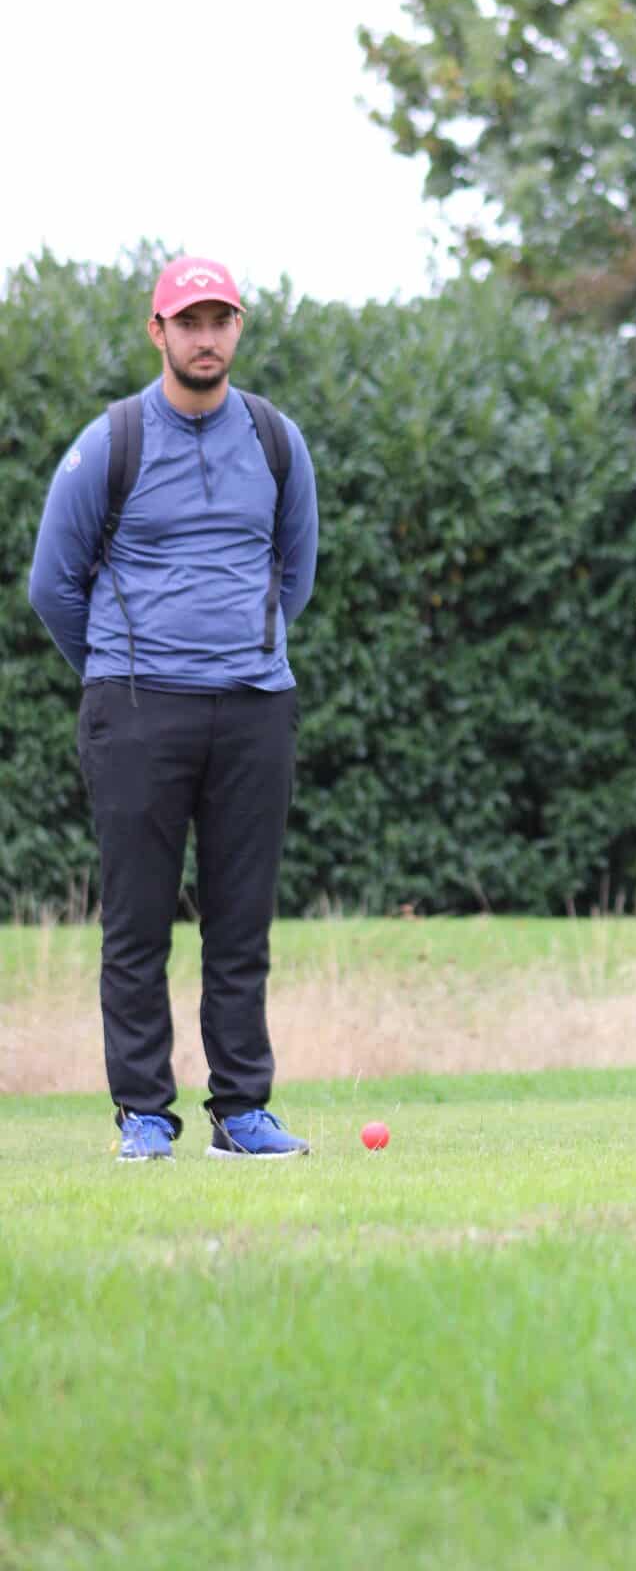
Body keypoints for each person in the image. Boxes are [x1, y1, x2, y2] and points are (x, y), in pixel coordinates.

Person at [29, 256, 319, 1162]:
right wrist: (119, 672)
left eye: (219, 320)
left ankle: (242, 1112)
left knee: (241, 923)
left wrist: (243, 651)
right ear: (158, 331)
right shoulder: (111, 441)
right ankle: (145, 1116)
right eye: (188, 322)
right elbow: (52, 586)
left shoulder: (276, 440)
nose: (205, 337)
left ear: (238, 328)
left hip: (254, 708)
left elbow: (295, 572)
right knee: (137, 924)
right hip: (136, 710)